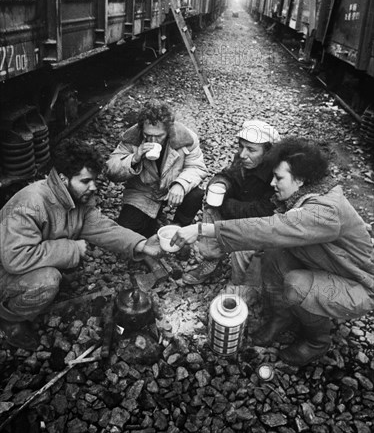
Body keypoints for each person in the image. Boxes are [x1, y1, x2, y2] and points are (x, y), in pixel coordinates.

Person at [172, 138, 374, 366]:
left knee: (297, 284)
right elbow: (270, 233)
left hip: (358, 285)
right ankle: (282, 317)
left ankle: (317, 340)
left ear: (300, 180)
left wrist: (204, 229)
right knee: (273, 252)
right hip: (326, 265)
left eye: (279, 178)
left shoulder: (324, 211)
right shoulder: (306, 195)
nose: (273, 183)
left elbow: (271, 228)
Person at [0, 139, 161, 351]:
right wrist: (71, 249)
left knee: (61, 270)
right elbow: (15, 258)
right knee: (48, 281)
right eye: (86, 181)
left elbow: (103, 228)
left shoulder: (74, 198)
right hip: (5, 267)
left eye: (94, 180)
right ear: (64, 178)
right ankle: (9, 319)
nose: (93, 187)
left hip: (19, 262)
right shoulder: (30, 204)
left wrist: (142, 245)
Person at [182, 119, 280, 296]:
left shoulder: (277, 174)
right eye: (241, 146)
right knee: (211, 209)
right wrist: (219, 185)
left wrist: (226, 204)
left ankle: (243, 284)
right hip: (237, 211)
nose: (243, 154)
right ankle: (210, 259)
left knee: (244, 246)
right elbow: (226, 174)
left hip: (260, 227)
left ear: (267, 152)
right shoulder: (243, 159)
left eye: (251, 149)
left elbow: (262, 211)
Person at [106, 99, 208, 238]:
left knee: (196, 195)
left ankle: (179, 227)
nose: (153, 141)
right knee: (127, 232)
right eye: (148, 135)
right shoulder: (132, 137)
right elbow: (111, 171)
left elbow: (196, 167)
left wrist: (181, 184)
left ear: (168, 130)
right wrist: (134, 158)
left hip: (170, 188)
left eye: (159, 136)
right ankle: (152, 216)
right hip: (143, 192)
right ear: (141, 129)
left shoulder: (186, 138)